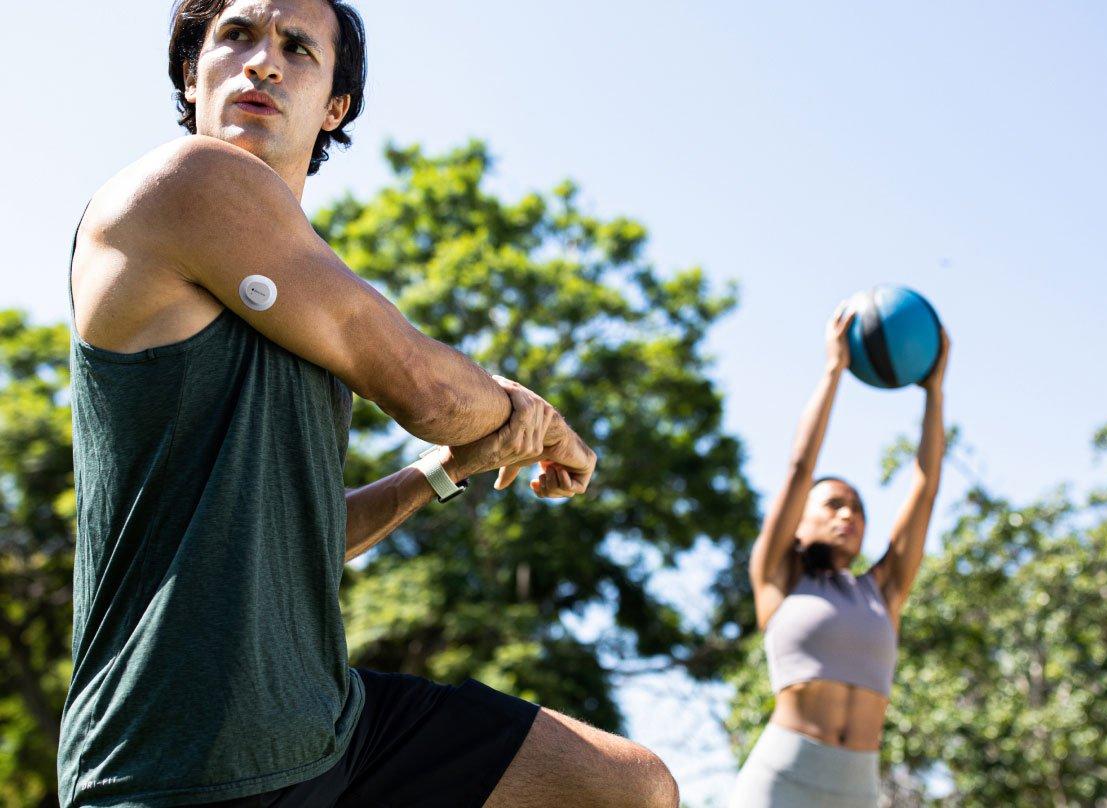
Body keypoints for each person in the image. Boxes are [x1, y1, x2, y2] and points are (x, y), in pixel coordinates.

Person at [57, 0, 678, 805]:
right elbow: (425, 388)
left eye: (297, 48)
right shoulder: (184, 186)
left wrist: (447, 471)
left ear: (335, 108)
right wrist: (532, 419)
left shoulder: (301, 291)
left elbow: (296, 535)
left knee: (625, 788)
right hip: (178, 753)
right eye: (237, 35)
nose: (263, 62)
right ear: (191, 72)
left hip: (327, 726)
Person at [730, 302, 950, 807]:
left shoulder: (882, 591)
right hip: (781, 779)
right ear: (801, 519)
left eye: (857, 509)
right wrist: (834, 371)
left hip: (857, 788)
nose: (847, 515)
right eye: (832, 504)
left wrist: (934, 393)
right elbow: (799, 466)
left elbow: (927, 487)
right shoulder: (778, 577)